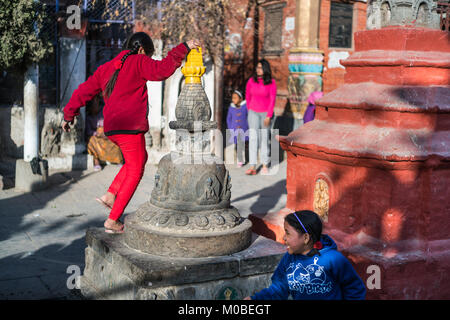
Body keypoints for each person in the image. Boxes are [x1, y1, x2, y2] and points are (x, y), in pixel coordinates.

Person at [62, 32, 201, 233]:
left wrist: (69, 114)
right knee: (136, 170)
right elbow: (162, 70)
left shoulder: (107, 67)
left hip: (112, 127)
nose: (149, 59)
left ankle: (111, 195)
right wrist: (184, 47)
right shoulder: (138, 61)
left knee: (139, 158)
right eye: (149, 55)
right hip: (129, 126)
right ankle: (113, 219)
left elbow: (84, 90)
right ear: (143, 50)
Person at [245, 210, 366, 300]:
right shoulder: (289, 258)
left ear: (306, 237)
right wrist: (255, 299)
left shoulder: (333, 259)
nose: (284, 238)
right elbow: (278, 290)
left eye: (288, 233)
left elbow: (355, 289)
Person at [245, 59, 277, 175]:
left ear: (265, 69)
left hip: (265, 114)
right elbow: (247, 96)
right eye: (257, 67)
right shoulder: (251, 81)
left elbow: (272, 100)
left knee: (264, 139)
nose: (258, 70)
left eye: (260, 68)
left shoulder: (271, 82)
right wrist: (249, 109)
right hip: (253, 112)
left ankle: (264, 164)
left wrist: (268, 115)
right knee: (253, 138)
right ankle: (252, 166)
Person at [85, 94, 124, 171]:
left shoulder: (104, 112)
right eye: (93, 105)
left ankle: (119, 161)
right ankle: (96, 162)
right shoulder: (89, 117)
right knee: (91, 141)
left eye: (96, 104)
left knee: (116, 139)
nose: (95, 107)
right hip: (97, 138)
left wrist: (106, 133)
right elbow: (88, 131)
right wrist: (97, 134)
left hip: (107, 135)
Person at [226, 89, 248, 167]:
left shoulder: (245, 107)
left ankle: (240, 160)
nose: (233, 99)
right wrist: (230, 127)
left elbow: (248, 117)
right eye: (233, 98)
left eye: (235, 98)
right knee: (236, 144)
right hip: (234, 129)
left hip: (243, 129)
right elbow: (228, 118)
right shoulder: (231, 108)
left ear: (241, 99)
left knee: (240, 145)